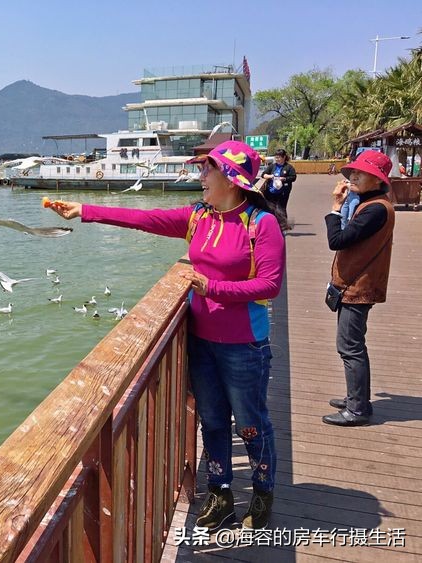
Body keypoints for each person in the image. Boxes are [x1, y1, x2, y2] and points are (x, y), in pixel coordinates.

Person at [48, 140, 286, 530]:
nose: (200, 176)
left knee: (251, 422)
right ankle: (221, 494)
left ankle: (262, 493)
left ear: (230, 177)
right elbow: (147, 219)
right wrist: (85, 211)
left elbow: (270, 284)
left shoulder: (261, 224)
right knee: (211, 421)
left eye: (207, 169)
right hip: (202, 340)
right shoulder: (199, 218)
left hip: (245, 346)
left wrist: (213, 289)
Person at [323, 150, 395, 427]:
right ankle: (357, 399)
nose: (353, 176)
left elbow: (338, 240)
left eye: (361, 173)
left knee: (350, 347)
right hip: (355, 284)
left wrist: (334, 208)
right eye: (353, 172)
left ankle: (358, 410)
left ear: (377, 181)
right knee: (351, 345)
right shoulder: (370, 204)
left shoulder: (376, 208)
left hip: (359, 287)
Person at [261, 149, 297, 222]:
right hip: (271, 191)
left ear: (284, 157)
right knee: (270, 208)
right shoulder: (272, 166)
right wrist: (270, 176)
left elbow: (293, 177)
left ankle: (283, 226)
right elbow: (263, 175)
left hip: (283, 192)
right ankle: (272, 224)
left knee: (281, 208)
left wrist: (284, 179)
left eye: (279, 157)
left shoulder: (289, 167)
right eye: (276, 157)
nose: (277, 159)